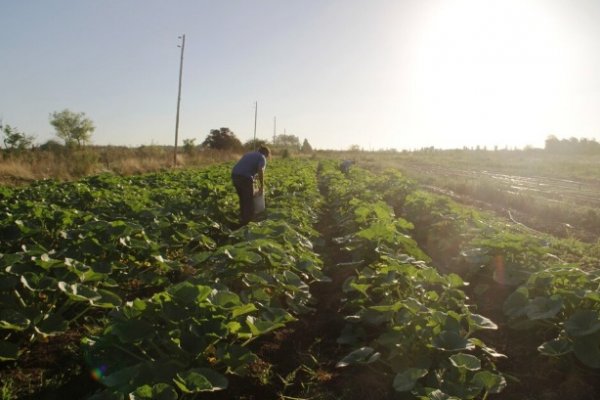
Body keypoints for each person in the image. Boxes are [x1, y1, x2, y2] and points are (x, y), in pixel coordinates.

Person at [231, 145, 271, 226]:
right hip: (244, 178)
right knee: (248, 200)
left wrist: (253, 176)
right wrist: (262, 186)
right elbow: (260, 171)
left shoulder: (249, 154)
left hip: (235, 175)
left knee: (242, 199)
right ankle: (247, 223)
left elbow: (246, 166)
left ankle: (242, 219)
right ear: (266, 153)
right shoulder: (262, 157)